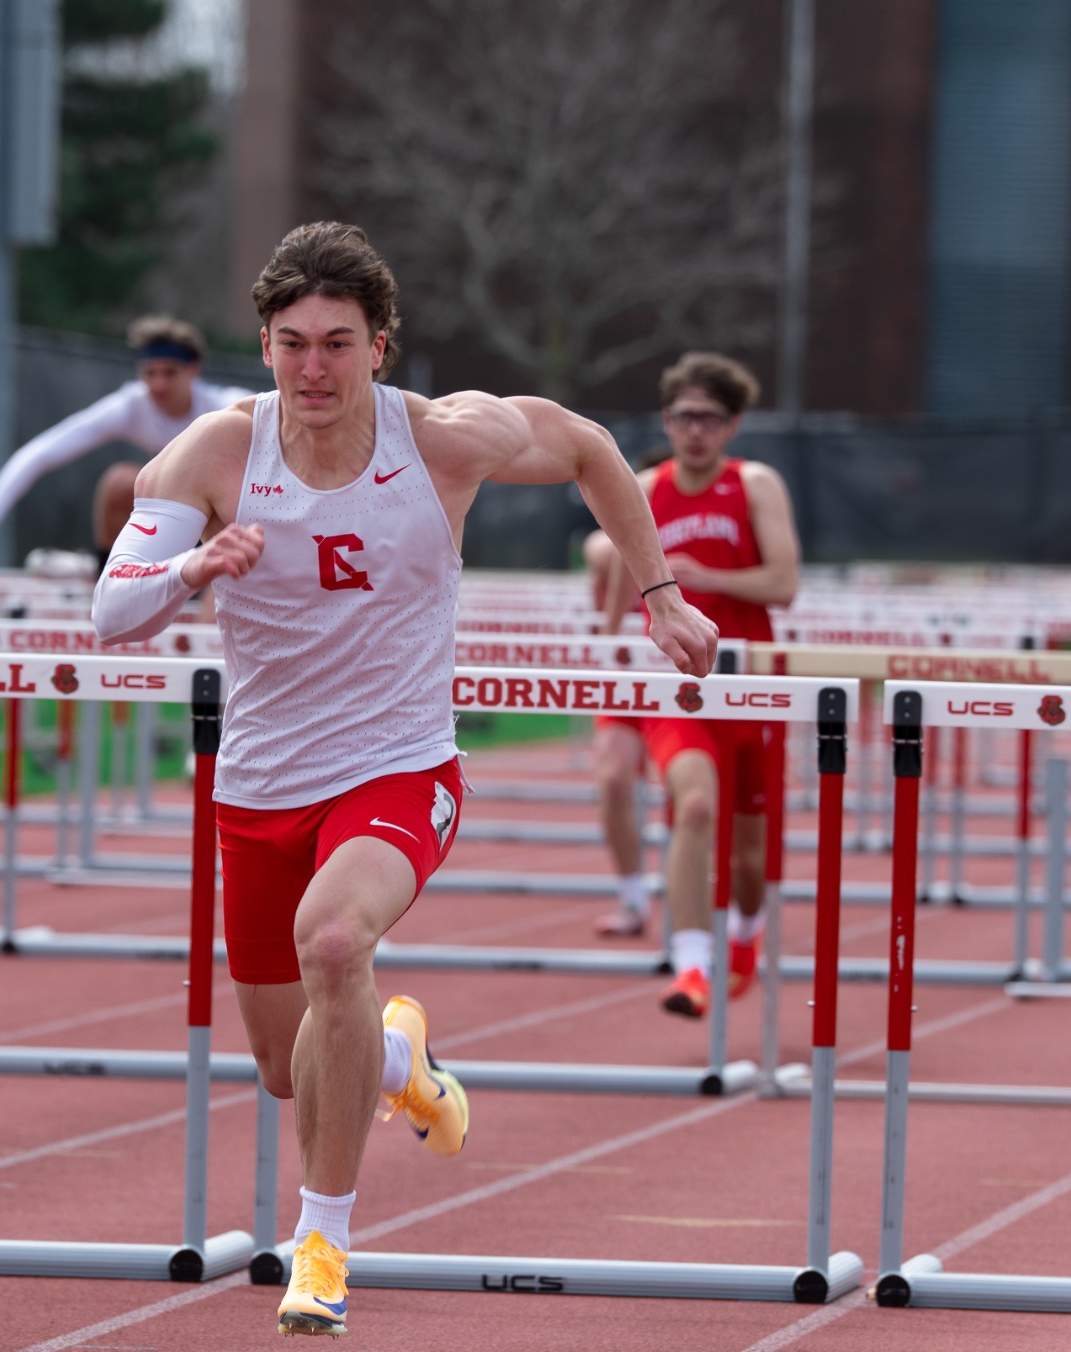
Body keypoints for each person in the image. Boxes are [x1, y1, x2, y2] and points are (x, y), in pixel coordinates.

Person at [91, 222, 717, 1337]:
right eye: (291, 344)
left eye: (338, 343)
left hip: (397, 767)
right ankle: (393, 1049)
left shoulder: (440, 439)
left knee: (334, 942)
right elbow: (111, 614)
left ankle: (320, 1242)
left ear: (381, 345)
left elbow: (586, 447)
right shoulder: (212, 455)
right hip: (259, 785)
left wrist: (659, 591)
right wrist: (194, 565)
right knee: (292, 1069)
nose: (313, 369)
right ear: (266, 344)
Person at [591, 353, 800, 1022]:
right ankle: (689, 967)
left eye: (709, 419)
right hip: (678, 687)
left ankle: (743, 938)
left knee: (748, 859)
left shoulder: (755, 484)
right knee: (696, 806)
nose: (695, 431)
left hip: (753, 685)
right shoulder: (645, 488)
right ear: (667, 420)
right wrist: (609, 644)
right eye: (684, 417)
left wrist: (700, 577)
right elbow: (616, 589)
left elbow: (783, 584)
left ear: (732, 425)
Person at [0, 315, 257, 565]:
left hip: (222, 528)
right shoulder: (131, 406)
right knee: (120, 482)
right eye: (150, 373)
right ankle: (111, 580)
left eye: (169, 373)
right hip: (170, 526)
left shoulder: (226, 407)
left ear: (193, 370)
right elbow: (45, 450)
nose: (158, 384)